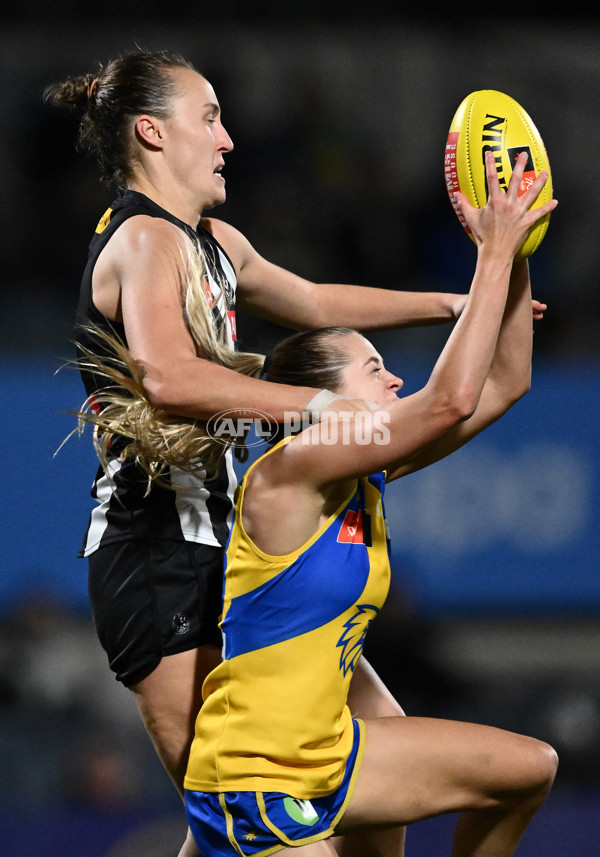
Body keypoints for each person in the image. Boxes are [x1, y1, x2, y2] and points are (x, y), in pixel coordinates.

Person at [43, 49, 479, 857]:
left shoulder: (212, 241)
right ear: (152, 131)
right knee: (250, 837)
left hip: (231, 558)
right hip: (157, 560)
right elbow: (168, 376)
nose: (229, 138)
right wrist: (320, 406)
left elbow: (313, 301)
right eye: (208, 117)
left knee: (379, 754)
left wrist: (458, 301)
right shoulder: (143, 240)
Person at [181, 150, 558, 856]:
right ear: (324, 398)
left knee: (528, 768)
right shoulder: (291, 466)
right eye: (376, 369)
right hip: (254, 780)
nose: (396, 379)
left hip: (332, 756)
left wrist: (515, 243)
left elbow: (506, 382)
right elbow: (450, 400)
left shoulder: (363, 473)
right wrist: (492, 257)